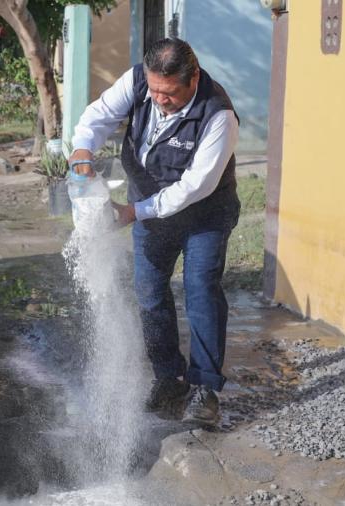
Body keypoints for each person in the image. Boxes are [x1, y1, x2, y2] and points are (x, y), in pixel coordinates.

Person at [69, 38, 240, 425]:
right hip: (146, 206)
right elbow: (98, 115)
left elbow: (196, 185)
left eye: (170, 94)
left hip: (204, 215)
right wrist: (82, 150)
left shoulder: (218, 115)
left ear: (193, 78)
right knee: (149, 292)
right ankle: (168, 378)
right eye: (155, 91)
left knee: (200, 290)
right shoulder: (138, 82)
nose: (159, 100)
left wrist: (133, 212)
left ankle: (204, 390)